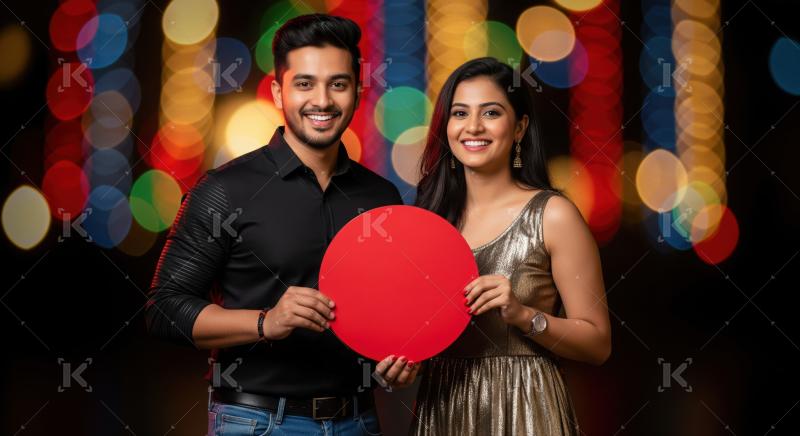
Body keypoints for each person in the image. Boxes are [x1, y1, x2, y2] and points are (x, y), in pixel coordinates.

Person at [146, 14, 416, 435]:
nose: (322, 101)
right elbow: (165, 309)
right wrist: (265, 322)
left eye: (338, 84)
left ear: (358, 92)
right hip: (256, 421)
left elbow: (388, 312)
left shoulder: (380, 197)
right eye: (305, 84)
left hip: (359, 419)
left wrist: (395, 362)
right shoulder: (225, 190)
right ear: (278, 91)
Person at [411, 57, 612, 435]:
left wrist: (523, 315)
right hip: (442, 406)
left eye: (491, 112)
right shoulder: (429, 224)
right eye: (459, 113)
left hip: (527, 409)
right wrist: (405, 365)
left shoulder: (553, 215)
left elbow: (598, 344)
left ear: (519, 127)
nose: (473, 127)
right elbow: (417, 334)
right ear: (446, 126)